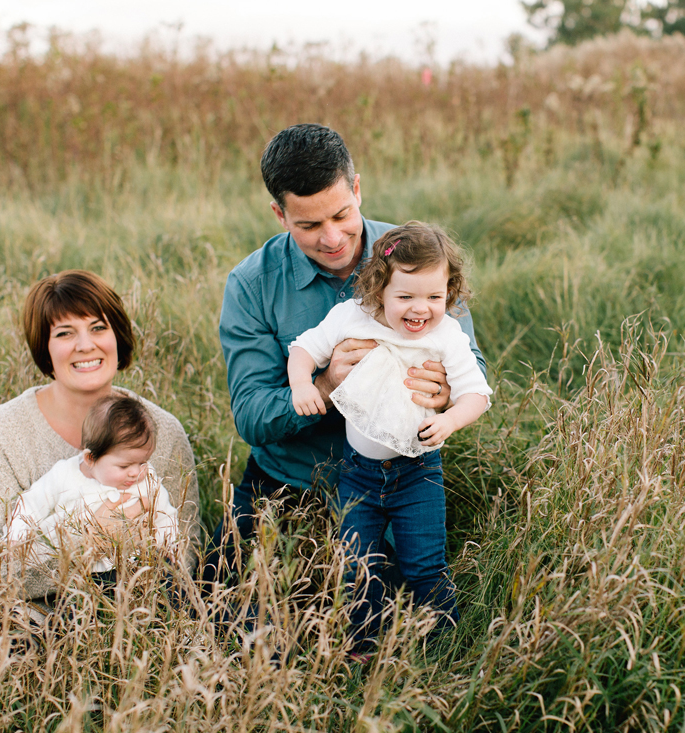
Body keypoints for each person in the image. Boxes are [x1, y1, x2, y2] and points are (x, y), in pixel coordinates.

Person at [208, 123, 486, 587]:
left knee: (403, 598)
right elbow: (251, 416)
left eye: (341, 215)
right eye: (309, 225)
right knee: (219, 599)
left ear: (356, 190)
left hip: (397, 475)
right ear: (280, 215)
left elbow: (471, 367)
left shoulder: (418, 257)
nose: (333, 238)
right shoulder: (252, 283)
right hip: (287, 478)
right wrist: (324, 386)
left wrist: (442, 394)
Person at [288, 222, 492, 649]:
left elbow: (477, 394)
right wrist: (304, 384)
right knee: (356, 566)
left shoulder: (446, 334)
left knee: (424, 566)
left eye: (435, 297)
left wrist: (450, 420)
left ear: (449, 292)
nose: (421, 310)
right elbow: (304, 349)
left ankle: (443, 646)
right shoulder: (353, 317)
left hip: (417, 472)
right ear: (380, 289)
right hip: (358, 474)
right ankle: (363, 645)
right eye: (406, 297)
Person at [0, 270, 200, 602]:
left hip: (138, 615)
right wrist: (85, 540)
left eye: (98, 328)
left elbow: (185, 557)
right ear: (45, 348)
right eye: (65, 333)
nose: (86, 345)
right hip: (31, 623)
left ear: (118, 337)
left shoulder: (162, 429)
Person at [4, 393, 179, 576]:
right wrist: (16, 537)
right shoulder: (64, 475)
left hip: (135, 570)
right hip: (78, 575)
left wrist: (168, 545)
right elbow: (30, 504)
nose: (136, 472)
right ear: (90, 458)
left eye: (142, 462)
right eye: (124, 465)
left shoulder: (147, 480)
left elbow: (166, 515)